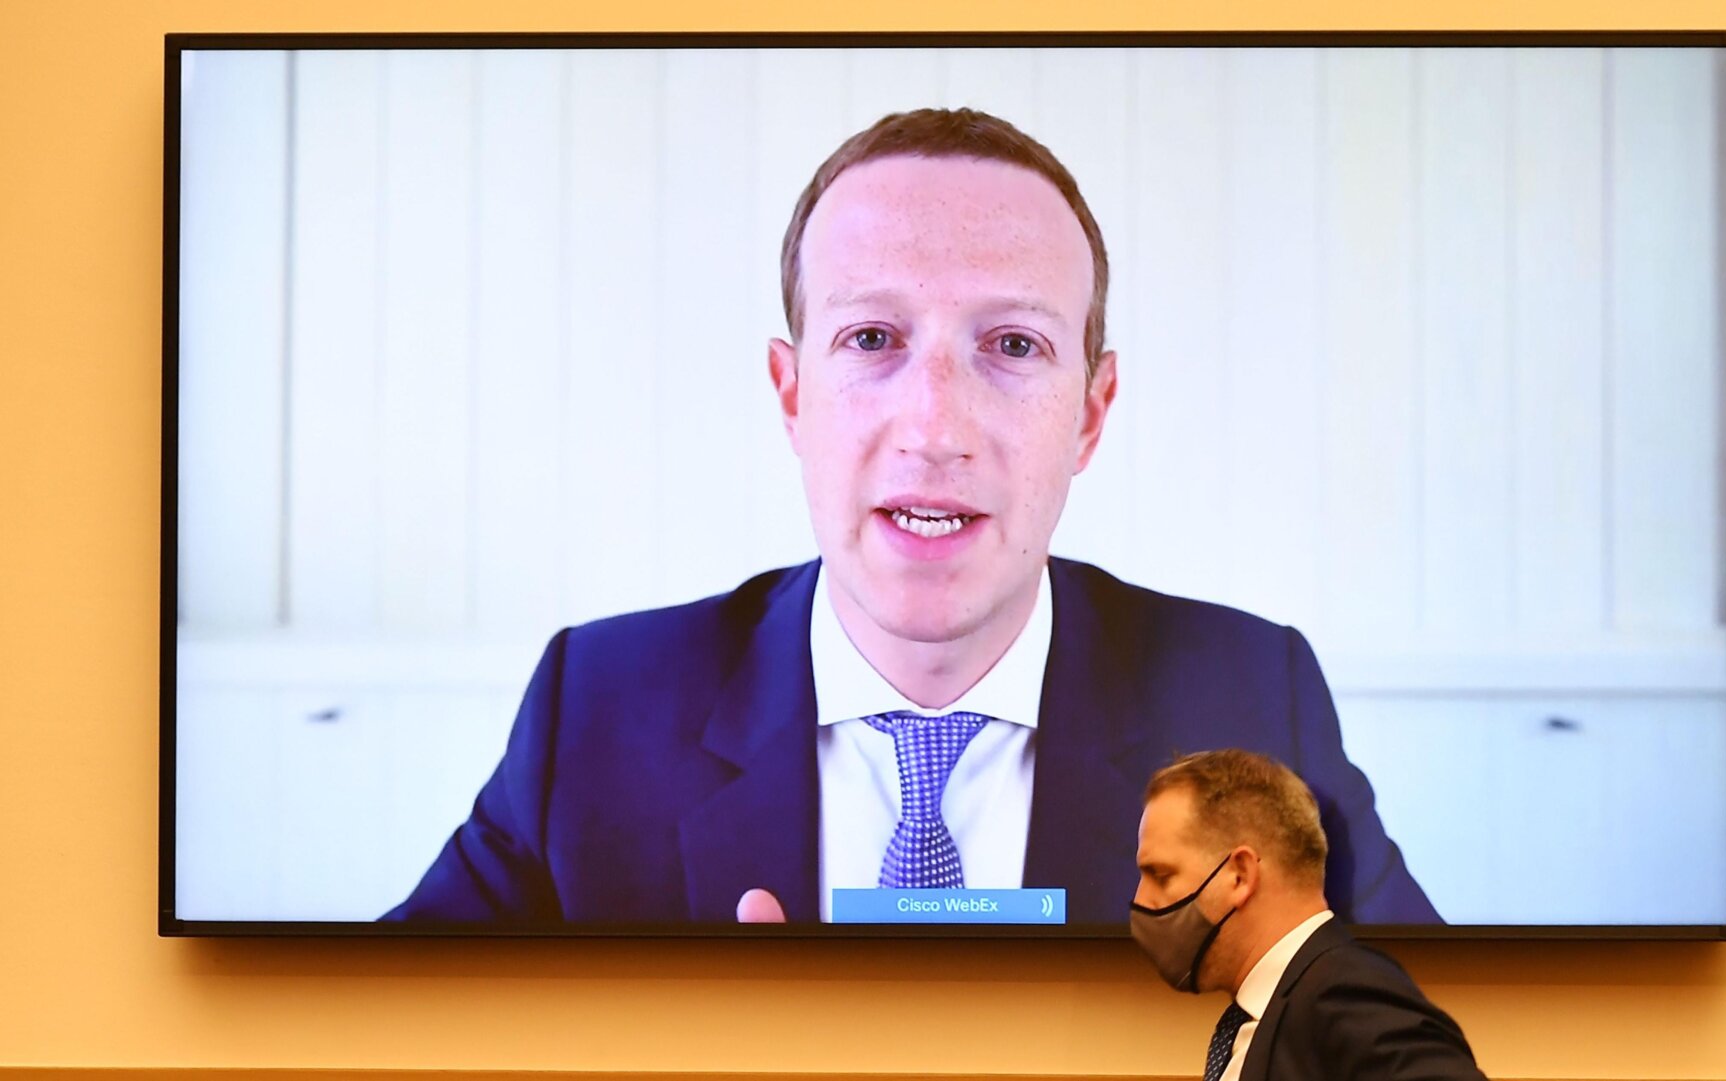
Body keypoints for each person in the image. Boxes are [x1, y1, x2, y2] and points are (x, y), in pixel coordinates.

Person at [385, 107, 1437, 926]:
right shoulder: (599, 713)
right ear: (791, 394)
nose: (934, 425)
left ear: (1092, 412)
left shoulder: (1254, 707)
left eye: (1013, 346)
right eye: (874, 339)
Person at [1131, 750, 1483, 1081]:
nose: (1141, 898)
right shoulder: (1267, 1011)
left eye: (1161, 875)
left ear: (1239, 874)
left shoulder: (1344, 992)